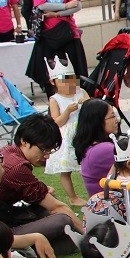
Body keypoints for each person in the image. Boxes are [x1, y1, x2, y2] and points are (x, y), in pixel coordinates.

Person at [0, 113, 84, 255]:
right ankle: (25, 250)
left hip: (8, 217)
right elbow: (56, 206)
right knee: (62, 220)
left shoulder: (9, 152)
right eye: (43, 149)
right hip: (1, 229)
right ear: (24, 142)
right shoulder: (16, 167)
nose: (46, 155)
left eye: (50, 150)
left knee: (66, 234)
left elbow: (39, 194)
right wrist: (88, 235)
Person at [26, 0, 87, 96]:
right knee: (49, 75)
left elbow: (77, 5)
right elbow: (41, 5)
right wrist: (65, 6)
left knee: (74, 75)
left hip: (68, 35)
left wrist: (57, 14)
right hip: (47, 36)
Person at [45, 54, 89, 206]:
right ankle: (73, 197)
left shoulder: (81, 92)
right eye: (63, 80)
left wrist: (88, 103)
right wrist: (67, 111)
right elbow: (56, 122)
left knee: (89, 162)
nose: (69, 82)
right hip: (67, 137)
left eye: (71, 78)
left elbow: (93, 109)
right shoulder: (55, 99)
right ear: (53, 81)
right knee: (66, 169)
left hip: (85, 132)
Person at [73, 99, 127, 197]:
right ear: (98, 121)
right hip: (114, 207)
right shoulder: (102, 150)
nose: (117, 120)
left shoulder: (92, 146)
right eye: (112, 116)